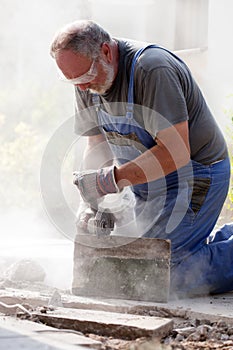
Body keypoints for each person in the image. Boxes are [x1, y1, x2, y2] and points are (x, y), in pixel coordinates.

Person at [50, 19, 233, 297]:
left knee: (163, 274)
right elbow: (96, 144)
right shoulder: (85, 80)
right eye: (74, 81)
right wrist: (91, 200)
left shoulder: (152, 69)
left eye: (85, 77)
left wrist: (112, 180)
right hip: (146, 182)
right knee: (138, 262)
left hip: (197, 175)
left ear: (107, 52)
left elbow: (176, 152)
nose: (83, 88)